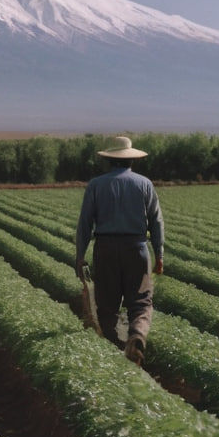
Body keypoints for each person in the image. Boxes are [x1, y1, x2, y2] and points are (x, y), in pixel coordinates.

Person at [75, 136, 164, 366]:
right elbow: (156, 222)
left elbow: (85, 223)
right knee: (141, 302)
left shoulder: (96, 185)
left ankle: (116, 348)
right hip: (137, 248)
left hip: (105, 249)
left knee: (107, 305)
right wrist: (159, 255)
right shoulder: (144, 184)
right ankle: (136, 336)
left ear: (109, 161)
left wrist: (80, 256)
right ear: (131, 160)